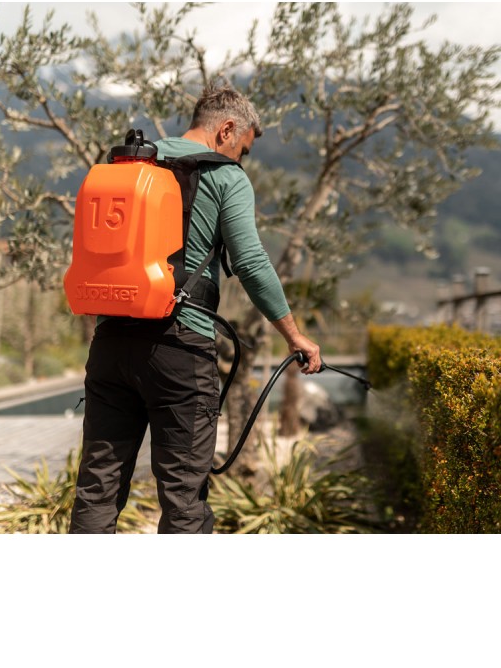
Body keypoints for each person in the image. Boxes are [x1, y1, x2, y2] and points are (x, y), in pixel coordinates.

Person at [70, 81, 321, 534]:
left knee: (97, 488)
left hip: (111, 343)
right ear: (227, 130)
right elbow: (250, 262)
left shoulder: (131, 165)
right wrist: (294, 335)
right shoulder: (226, 177)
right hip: (179, 350)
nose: (241, 160)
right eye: (243, 150)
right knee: (184, 497)